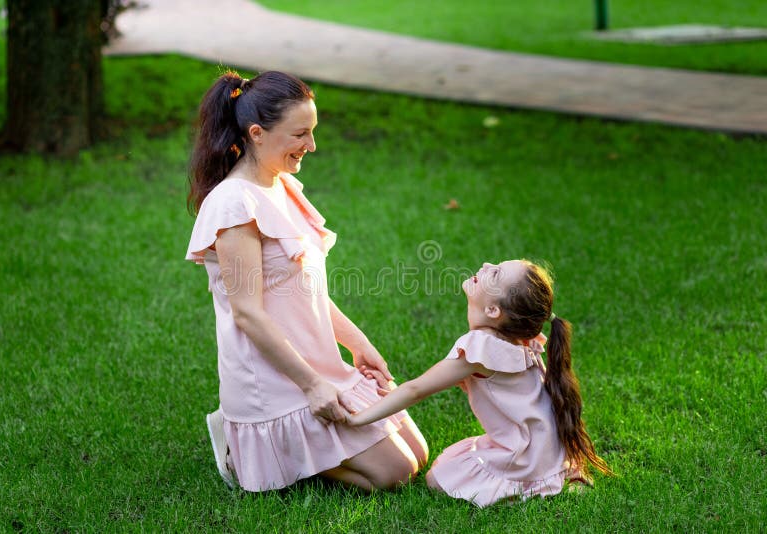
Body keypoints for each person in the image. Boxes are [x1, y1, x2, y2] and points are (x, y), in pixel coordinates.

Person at [185, 70, 428, 492]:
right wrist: (312, 385)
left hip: (317, 362)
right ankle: (251, 453)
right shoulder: (232, 204)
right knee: (393, 474)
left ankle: (304, 447)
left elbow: (308, 290)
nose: (312, 145)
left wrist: (358, 344)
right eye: (301, 133)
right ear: (258, 133)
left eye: (313, 132)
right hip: (277, 379)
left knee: (417, 454)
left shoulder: (284, 186)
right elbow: (246, 313)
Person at [347, 259, 612, 507]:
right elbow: (419, 385)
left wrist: (359, 419)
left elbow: (417, 389)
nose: (486, 265)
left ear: (493, 310)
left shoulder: (482, 348)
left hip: (527, 454)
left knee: (438, 479)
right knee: (452, 461)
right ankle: (557, 473)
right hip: (543, 443)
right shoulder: (515, 337)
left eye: (495, 272)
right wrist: (390, 391)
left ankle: (535, 481)